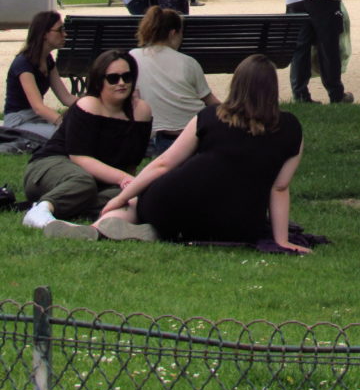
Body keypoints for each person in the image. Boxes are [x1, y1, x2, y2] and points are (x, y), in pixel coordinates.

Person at [92, 55, 310, 251]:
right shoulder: (291, 128)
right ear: (272, 88)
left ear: (237, 84)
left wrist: (121, 197)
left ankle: (99, 227)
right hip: (239, 223)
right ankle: (146, 230)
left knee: (135, 205)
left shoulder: (210, 117)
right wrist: (282, 241)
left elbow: (164, 164)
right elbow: (280, 187)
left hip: (173, 205)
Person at [21, 49, 152, 237]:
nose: (122, 83)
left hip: (96, 181)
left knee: (127, 197)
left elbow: (131, 163)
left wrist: (130, 189)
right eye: (113, 78)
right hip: (52, 165)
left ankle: (73, 219)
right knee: (83, 182)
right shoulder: (89, 104)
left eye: (127, 76)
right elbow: (79, 157)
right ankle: (40, 211)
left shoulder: (142, 112)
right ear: (100, 81)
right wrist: (124, 180)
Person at [130, 6, 219, 155]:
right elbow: (209, 99)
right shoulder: (187, 62)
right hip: (193, 130)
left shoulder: (133, 57)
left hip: (155, 135)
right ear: (173, 33)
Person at [4, 11, 77, 137]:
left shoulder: (48, 60)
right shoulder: (23, 64)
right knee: (64, 135)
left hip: (36, 118)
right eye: (60, 30)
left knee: (79, 128)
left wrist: (94, 105)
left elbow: (66, 98)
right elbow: (38, 107)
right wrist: (62, 122)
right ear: (44, 34)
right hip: (18, 122)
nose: (65, 34)